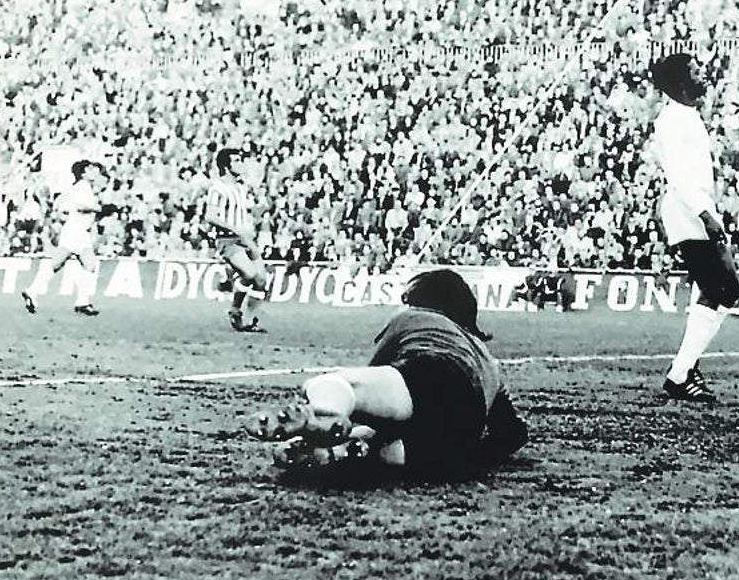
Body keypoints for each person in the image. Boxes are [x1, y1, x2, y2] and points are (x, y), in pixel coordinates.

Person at [244, 269, 529, 479]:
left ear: (420, 300)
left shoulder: (415, 318)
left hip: (433, 372)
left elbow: (375, 385)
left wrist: (344, 402)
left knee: (339, 386)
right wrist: (474, 454)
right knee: (388, 446)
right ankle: (356, 450)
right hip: (460, 432)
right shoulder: (490, 361)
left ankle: (322, 415)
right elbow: (512, 434)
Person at [649, 53, 739, 403]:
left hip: (694, 208)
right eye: (695, 70)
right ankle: (680, 374)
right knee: (726, 289)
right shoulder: (673, 119)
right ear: (679, 82)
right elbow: (678, 174)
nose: (703, 74)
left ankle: (685, 371)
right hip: (689, 211)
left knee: (715, 289)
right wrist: (705, 213)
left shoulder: (685, 115)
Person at [21, 160, 105, 317]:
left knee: (85, 264)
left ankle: (80, 301)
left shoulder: (77, 187)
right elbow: (80, 206)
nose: (95, 172)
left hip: (77, 229)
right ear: (84, 173)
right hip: (76, 230)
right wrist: (97, 208)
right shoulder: (84, 186)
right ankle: (80, 301)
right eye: (91, 169)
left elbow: (60, 205)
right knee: (69, 263)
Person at [204, 147, 269, 333]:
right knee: (249, 274)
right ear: (226, 165)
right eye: (237, 161)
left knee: (261, 280)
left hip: (246, 239)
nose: (241, 164)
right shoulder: (217, 189)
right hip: (229, 240)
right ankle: (235, 309)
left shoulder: (241, 188)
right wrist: (236, 229)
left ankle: (248, 320)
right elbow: (211, 216)